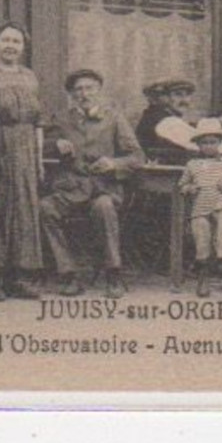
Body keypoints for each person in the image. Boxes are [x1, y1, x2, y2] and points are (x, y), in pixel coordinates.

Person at [41, 68, 146, 298]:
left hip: (104, 187)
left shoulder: (114, 117)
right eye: (78, 89)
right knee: (45, 208)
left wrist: (113, 163)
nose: (84, 94)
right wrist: (55, 143)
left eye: (89, 88)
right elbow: (42, 144)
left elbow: (137, 157)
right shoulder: (62, 119)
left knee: (104, 207)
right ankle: (68, 273)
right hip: (72, 187)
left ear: (99, 91)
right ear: (71, 94)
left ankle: (113, 273)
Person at [0, 22, 45, 301]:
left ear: (23, 47)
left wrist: (39, 159)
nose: (10, 46)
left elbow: (38, 122)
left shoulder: (30, 77)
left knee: (23, 208)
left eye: (16, 42)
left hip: (27, 147)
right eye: (5, 40)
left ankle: (18, 277)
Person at [178, 118, 222, 299]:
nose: (208, 146)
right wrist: (189, 189)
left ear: (220, 143)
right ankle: (203, 280)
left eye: (213, 142)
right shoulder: (192, 165)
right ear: (198, 144)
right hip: (200, 209)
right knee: (202, 244)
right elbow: (182, 185)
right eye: (204, 143)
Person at [136, 78, 201, 163]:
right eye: (178, 95)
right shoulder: (164, 121)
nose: (185, 100)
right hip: (163, 173)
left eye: (187, 95)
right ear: (162, 98)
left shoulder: (154, 116)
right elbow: (199, 146)